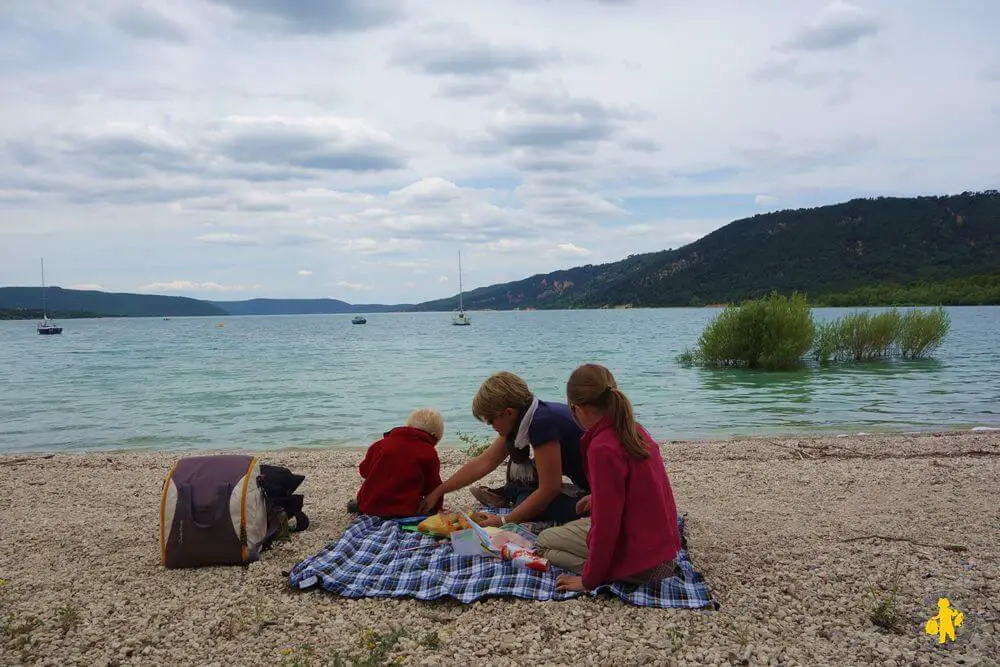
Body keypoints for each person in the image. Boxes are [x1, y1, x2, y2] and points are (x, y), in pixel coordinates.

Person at [538, 364, 682, 592]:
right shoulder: (633, 430)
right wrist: (598, 497)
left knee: (545, 542)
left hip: (644, 566)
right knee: (580, 527)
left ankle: (610, 573)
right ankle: (611, 567)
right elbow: (640, 486)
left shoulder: (602, 447)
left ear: (579, 409)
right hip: (663, 552)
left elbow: (607, 525)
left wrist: (588, 581)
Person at [417, 371, 588, 526]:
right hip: (581, 479)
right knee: (518, 485)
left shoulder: (541, 423)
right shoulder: (527, 415)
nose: (491, 426)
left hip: (599, 492)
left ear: (508, 412)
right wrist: (438, 491)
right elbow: (484, 462)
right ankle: (510, 493)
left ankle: (513, 495)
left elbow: (550, 489)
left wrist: (504, 520)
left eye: (491, 421)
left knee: (525, 501)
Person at [349, 408, 445, 518]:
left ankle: (360, 505)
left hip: (370, 506)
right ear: (433, 436)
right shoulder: (429, 452)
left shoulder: (380, 445)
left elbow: (364, 471)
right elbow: (433, 485)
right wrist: (436, 508)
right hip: (406, 510)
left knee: (365, 498)